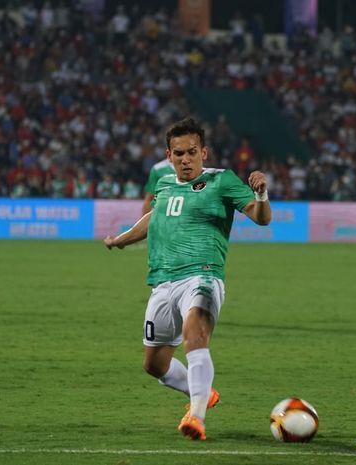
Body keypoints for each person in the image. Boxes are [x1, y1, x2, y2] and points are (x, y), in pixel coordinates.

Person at [104, 117, 271, 441]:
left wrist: (262, 195)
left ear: (204, 152)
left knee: (195, 332)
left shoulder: (222, 181)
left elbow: (260, 218)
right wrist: (121, 239)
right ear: (169, 155)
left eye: (191, 152)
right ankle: (202, 392)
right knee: (154, 363)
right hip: (163, 281)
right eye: (178, 153)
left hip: (202, 275)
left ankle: (196, 416)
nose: (185, 159)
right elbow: (155, 217)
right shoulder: (165, 184)